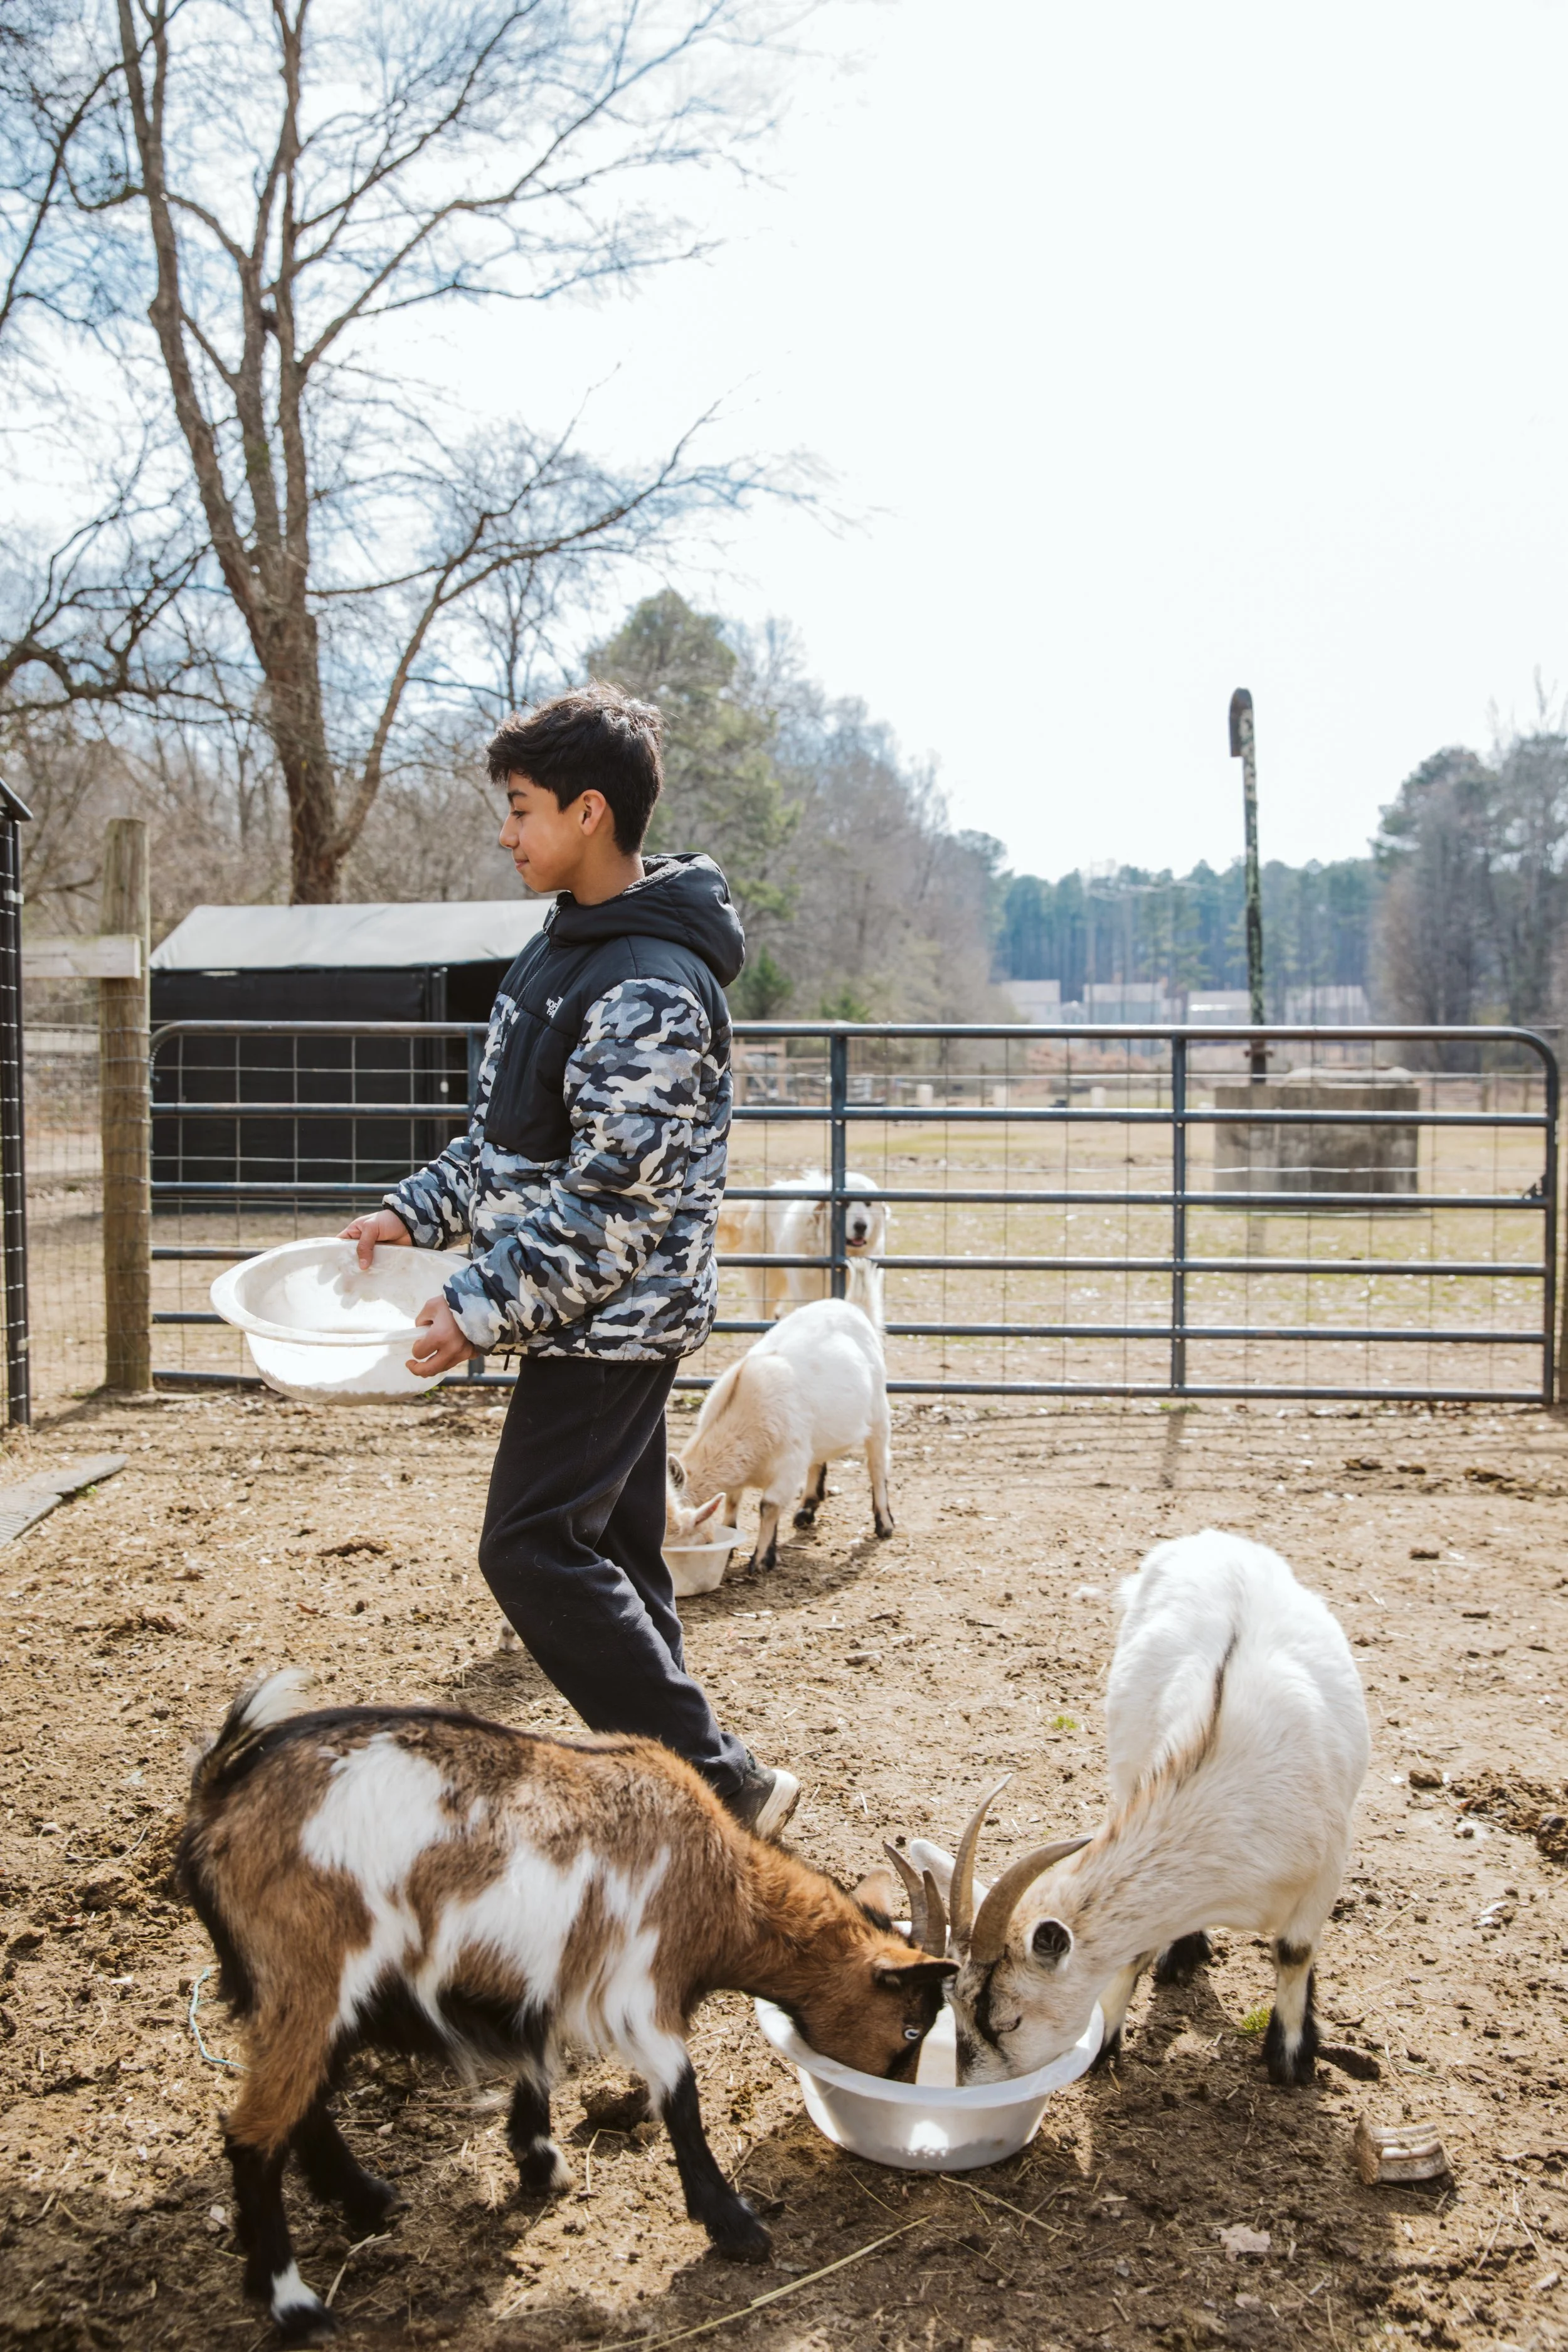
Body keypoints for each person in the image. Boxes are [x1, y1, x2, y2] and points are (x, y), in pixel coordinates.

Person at [341, 685, 798, 1838]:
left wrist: (483, 1302)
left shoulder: (644, 979)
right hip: (583, 1312)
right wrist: (416, 1213)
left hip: (609, 1321)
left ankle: (720, 1787)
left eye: (523, 807)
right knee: (621, 1556)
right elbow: (512, 1145)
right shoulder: (570, 949)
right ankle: (673, 1778)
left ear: (590, 812)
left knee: (531, 1548)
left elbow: (613, 1202)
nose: (507, 830)